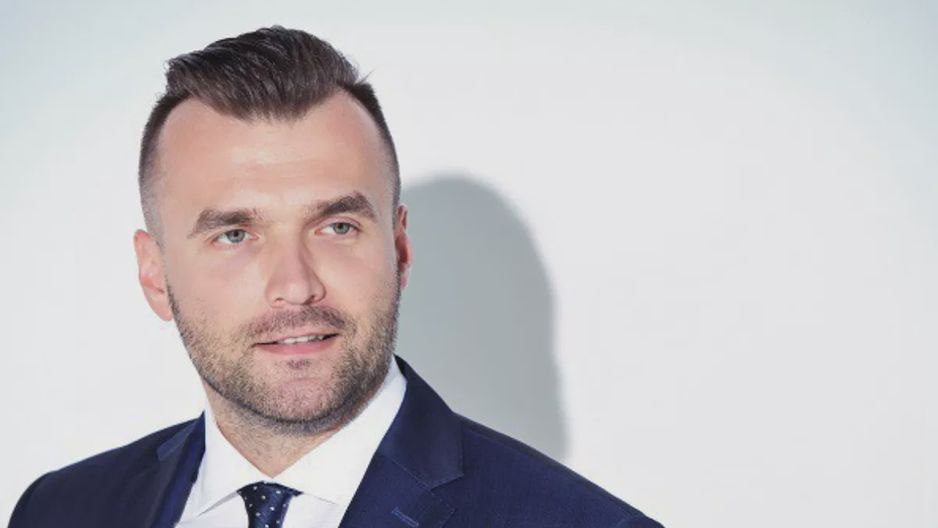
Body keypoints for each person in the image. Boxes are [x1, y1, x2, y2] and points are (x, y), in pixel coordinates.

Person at [9, 26, 664, 528]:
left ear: (399, 249)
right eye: (235, 234)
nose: (296, 286)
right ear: (154, 275)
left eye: (337, 227)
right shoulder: (59, 510)